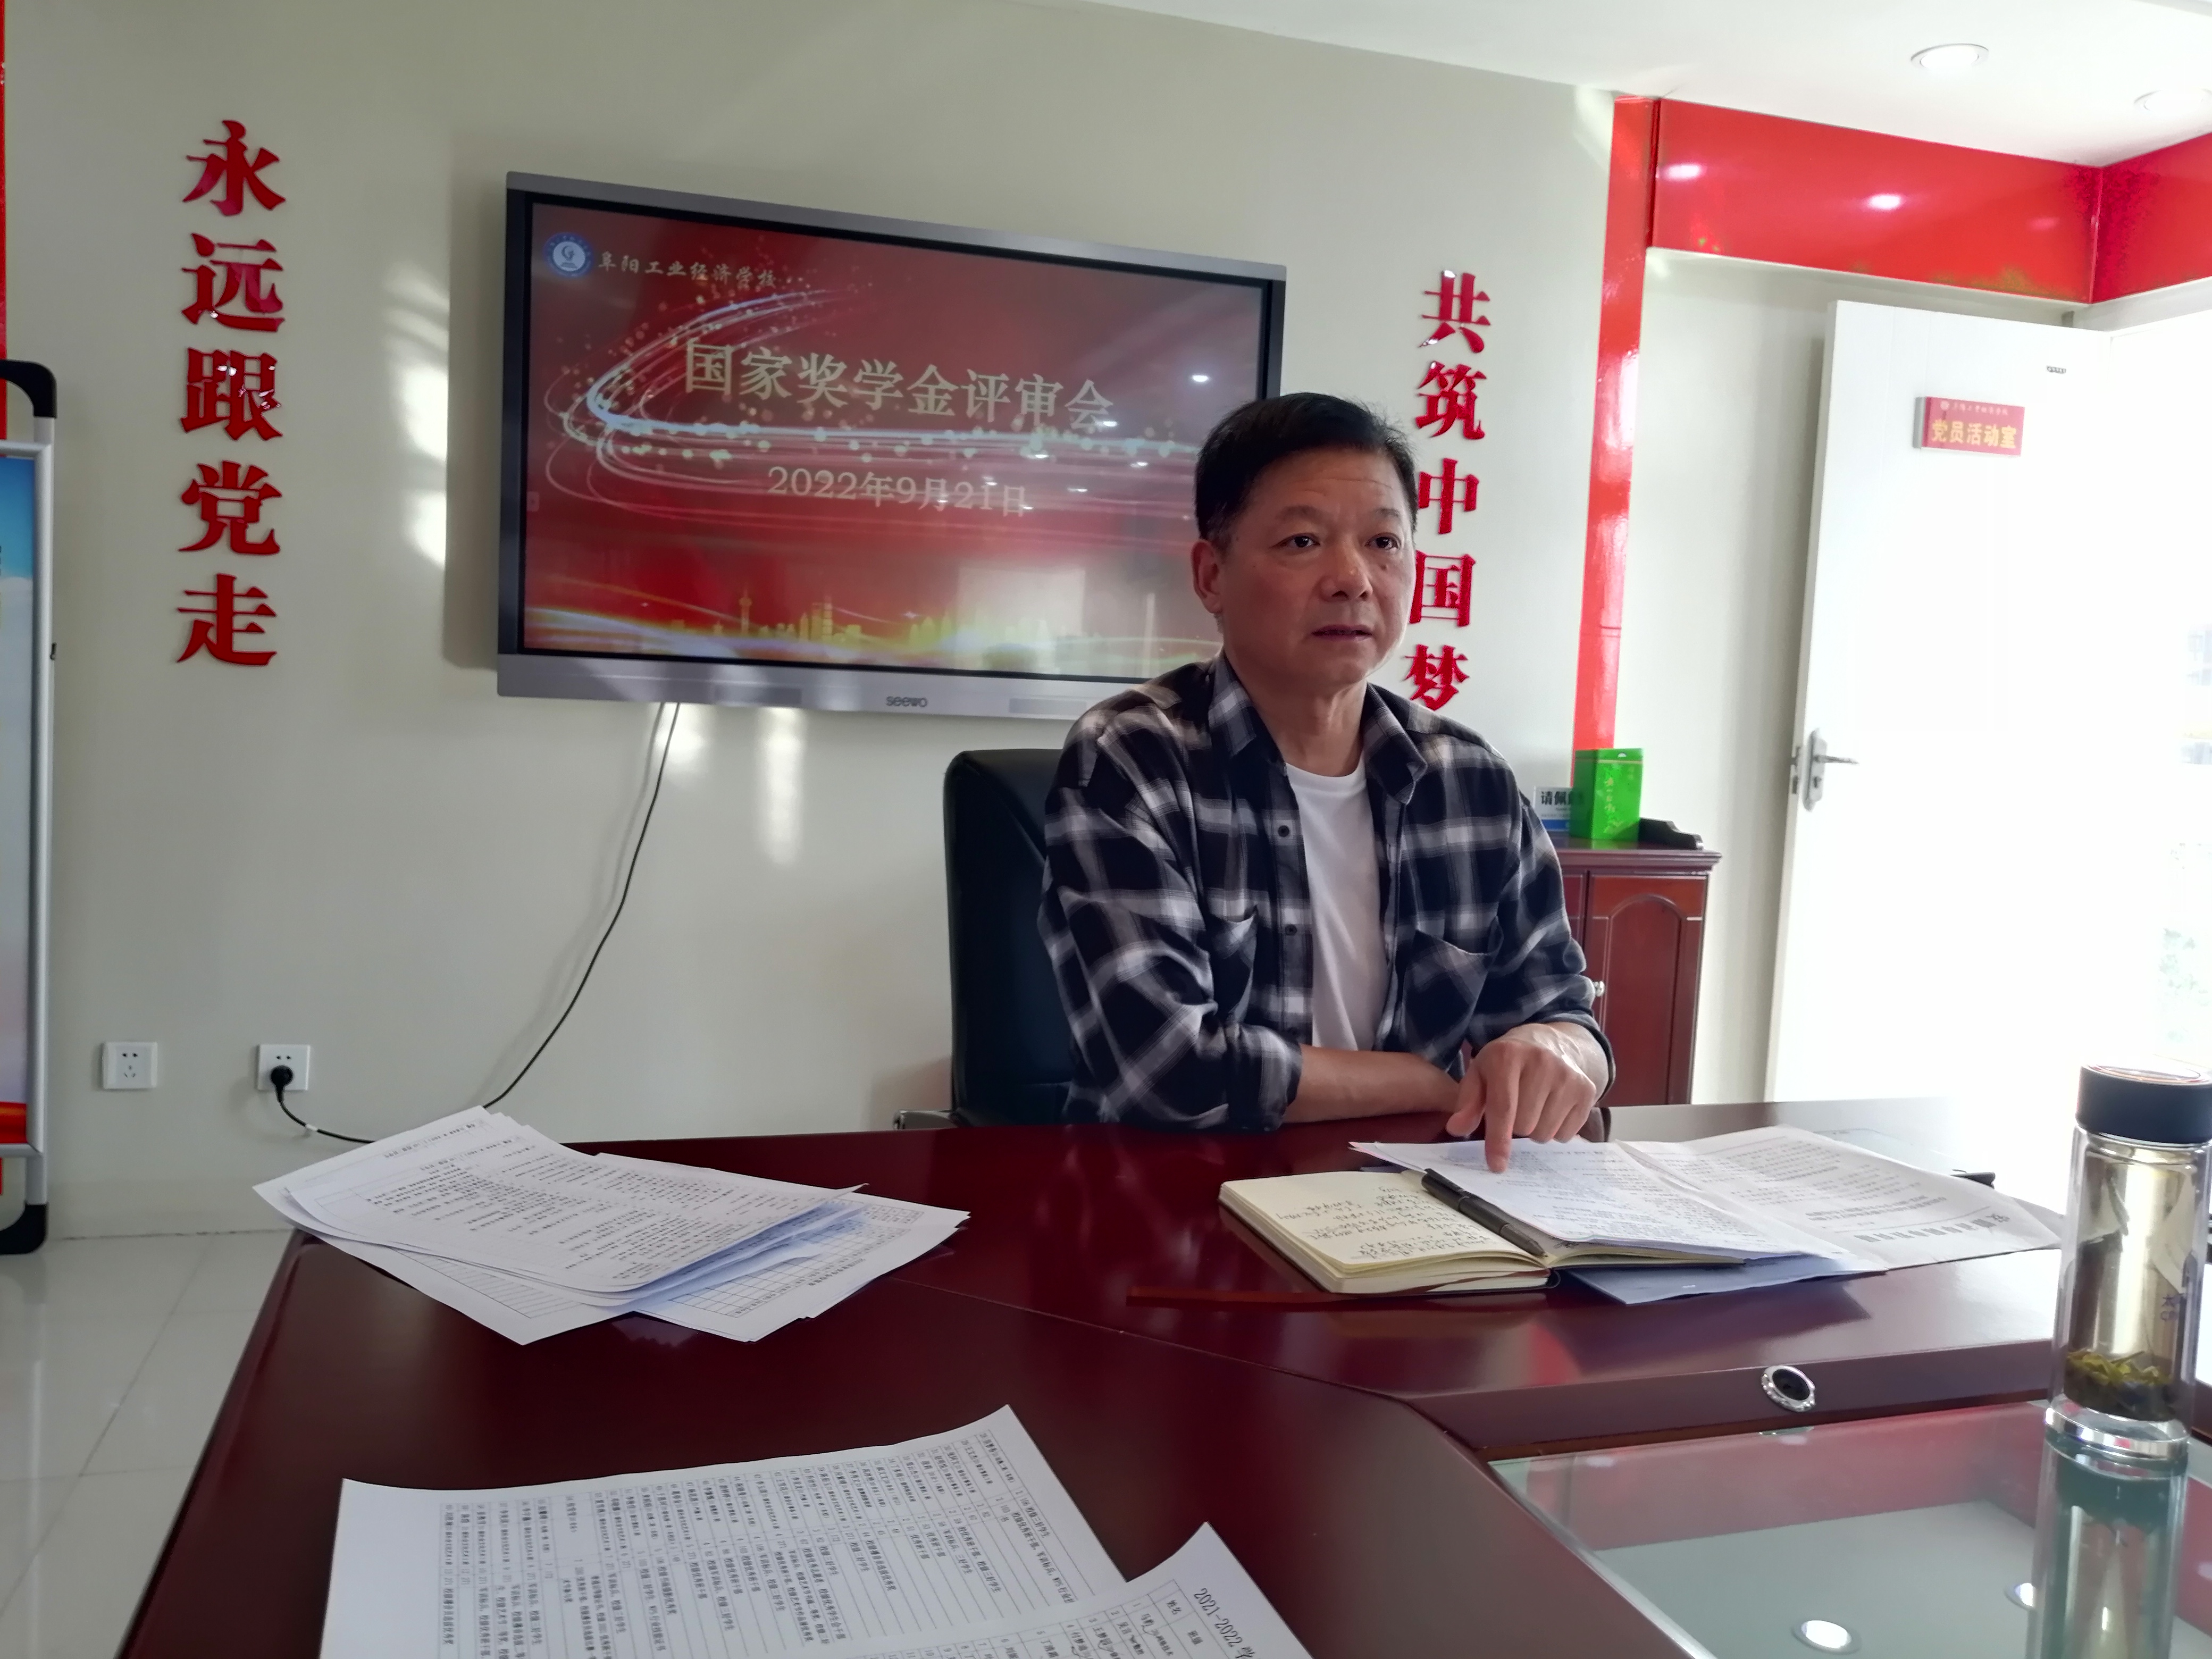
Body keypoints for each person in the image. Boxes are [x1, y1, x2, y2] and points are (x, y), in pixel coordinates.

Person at [1038, 392, 1610, 1170]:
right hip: (1181, 1202)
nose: (1352, 579)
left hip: (1415, 1203)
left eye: (1383, 542)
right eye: (1303, 541)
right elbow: (1168, 1067)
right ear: (1211, 575)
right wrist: (1430, 1083)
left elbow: (1562, 1009)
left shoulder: (1470, 781)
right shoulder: (1135, 758)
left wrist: (1559, 1048)